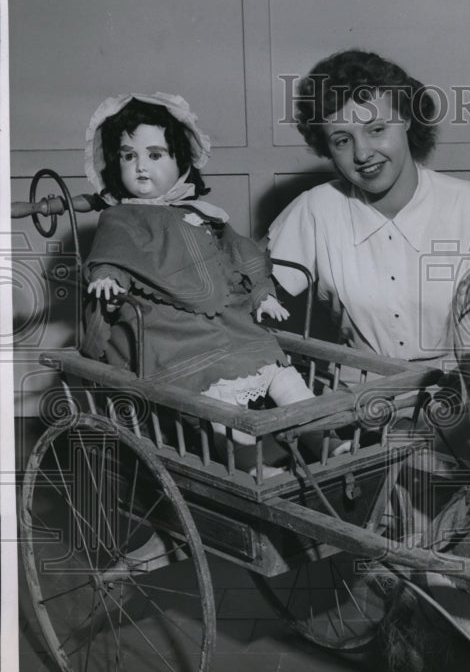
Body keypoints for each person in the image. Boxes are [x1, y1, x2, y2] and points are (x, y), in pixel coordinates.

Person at [83, 92, 326, 461]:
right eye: (128, 156)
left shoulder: (201, 213)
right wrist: (107, 277)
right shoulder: (121, 218)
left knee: (278, 368)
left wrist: (263, 293)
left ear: (181, 160)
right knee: (216, 390)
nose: (140, 167)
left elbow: (243, 253)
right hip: (170, 329)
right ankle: (249, 462)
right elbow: (112, 255)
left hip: (228, 321)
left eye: (154, 154)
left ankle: (323, 439)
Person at [268, 49, 470, 366]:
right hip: (358, 392)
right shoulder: (315, 209)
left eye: (377, 130)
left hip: (464, 385)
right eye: (342, 140)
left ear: (408, 119)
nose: (362, 154)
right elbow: (246, 293)